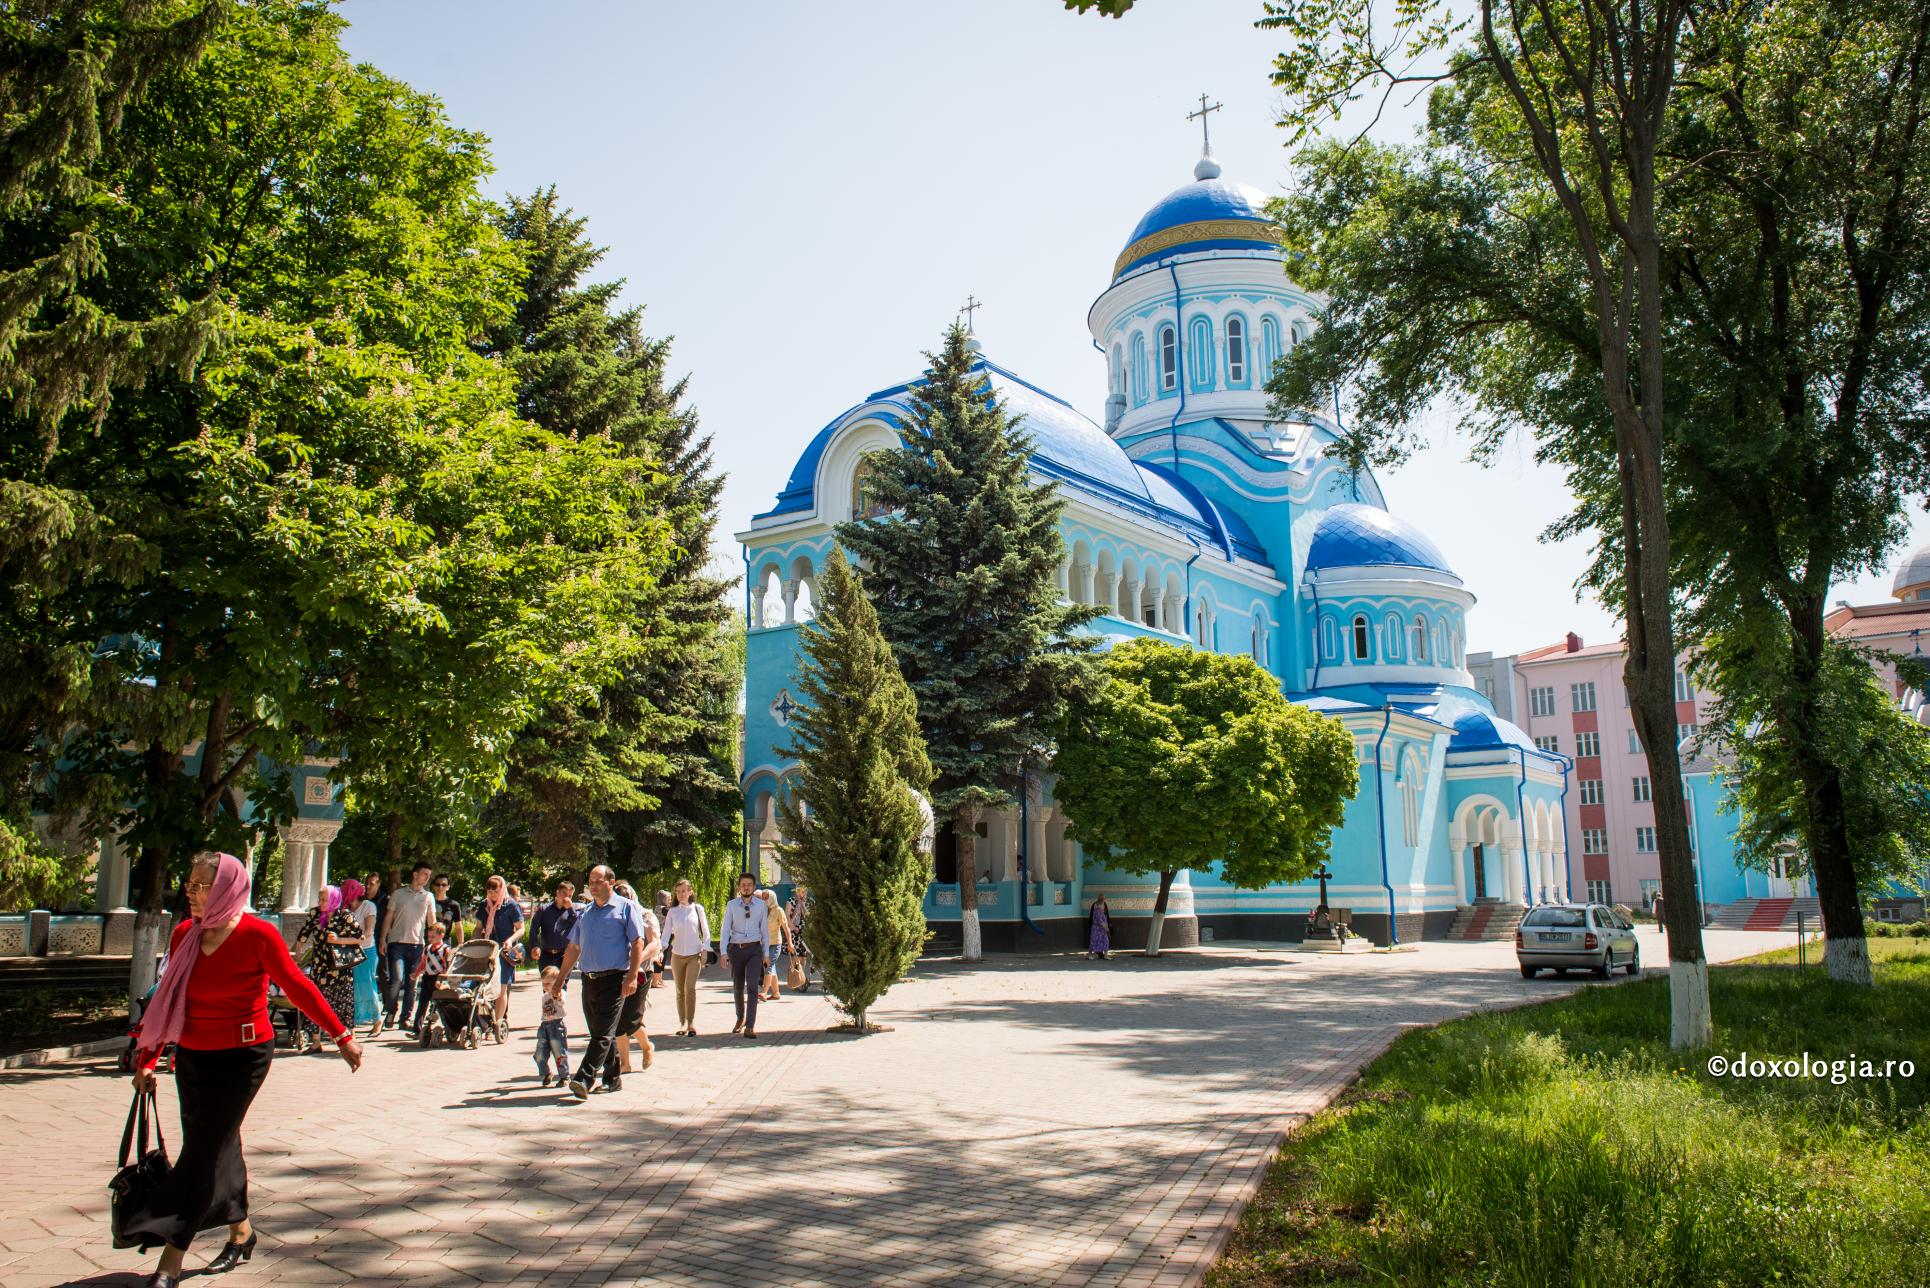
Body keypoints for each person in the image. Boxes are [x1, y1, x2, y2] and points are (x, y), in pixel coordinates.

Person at [124, 853, 364, 1288]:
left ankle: (170, 1260)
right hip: (194, 1057)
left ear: (224, 888)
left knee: (201, 1153)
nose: (190, 892)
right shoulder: (185, 935)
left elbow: (297, 985)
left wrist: (340, 1034)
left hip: (245, 1057)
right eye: (190, 884)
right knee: (218, 1144)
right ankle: (242, 1234)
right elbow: (167, 999)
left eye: (199, 885)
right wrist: (147, 1058)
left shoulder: (258, 935)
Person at [556, 865, 650, 1099]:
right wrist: (559, 980)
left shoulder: (625, 908)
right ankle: (613, 1078)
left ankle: (583, 1079)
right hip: (589, 980)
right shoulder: (586, 913)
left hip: (615, 979)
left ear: (611, 882)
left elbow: (637, 943)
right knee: (600, 1032)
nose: (593, 886)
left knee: (601, 1034)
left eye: (598, 881)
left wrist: (631, 976)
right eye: (591, 882)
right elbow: (573, 948)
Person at [292, 885, 361, 1051]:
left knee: (342, 1003)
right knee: (316, 1002)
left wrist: (338, 940)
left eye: (324, 899)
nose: (321, 902)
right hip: (319, 965)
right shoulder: (315, 914)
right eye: (320, 899)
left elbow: (359, 937)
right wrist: (298, 955)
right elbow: (303, 934)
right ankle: (316, 1042)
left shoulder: (345, 916)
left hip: (340, 967)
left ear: (334, 899)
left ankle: (347, 1041)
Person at [379, 861, 436, 1033]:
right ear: (415, 874)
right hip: (397, 942)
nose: (427, 878)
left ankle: (405, 1018)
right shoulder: (398, 894)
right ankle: (390, 1011)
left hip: (417, 945)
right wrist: (383, 939)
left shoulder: (428, 897)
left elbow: (431, 922)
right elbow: (388, 918)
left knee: (412, 982)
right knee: (396, 979)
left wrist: (434, 943)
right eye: (424, 874)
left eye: (429, 875)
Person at [610, 880, 659, 1075]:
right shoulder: (613, 916)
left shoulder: (645, 915)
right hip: (618, 972)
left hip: (641, 973)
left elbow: (654, 944)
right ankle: (625, 1063)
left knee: (631, 1018)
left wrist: (637, 962)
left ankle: (647, 1046)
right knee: (618, 1019)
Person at [721, 872, 771, 1038]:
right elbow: (725, 930)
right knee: (738, 986)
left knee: (752, 987)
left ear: (754, 887)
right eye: (743, 885)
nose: (746, 887)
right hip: (736, 949)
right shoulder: (732, 905)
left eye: (749, 884)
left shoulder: (761, 906)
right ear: (739, 887)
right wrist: (723, 952)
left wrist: (766, 954)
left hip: (754, 950)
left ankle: (750, 1025)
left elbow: (764, 930)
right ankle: (740, 1017)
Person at [661, 878, 711, 1037]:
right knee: (679, 990)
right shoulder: (673, 911)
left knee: (690, 988)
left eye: (684, 891)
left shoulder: (698, 909)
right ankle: (682, 1022)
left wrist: (705, 949)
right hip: (677, 956)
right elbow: (666, 934)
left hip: (693, 955)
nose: (681, 894)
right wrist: (661, 950)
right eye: (678, 891)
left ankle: (691, 1022)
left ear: (690, 892)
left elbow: (706, 931)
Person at [474, 875, 525, 1030]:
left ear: (501, 889)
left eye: (494, 891)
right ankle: (485, 1022)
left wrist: (510, 940)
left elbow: (521, 928)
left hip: (504, 952)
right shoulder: (484, 905)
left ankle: (498, 1022)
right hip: (488, 950)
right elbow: (478, 927)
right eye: (489, 891)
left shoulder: (511, 905)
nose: (491, 894)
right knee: (484, 987)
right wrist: (473, 944)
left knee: (502, 988)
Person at [342, 878, 380, 1033]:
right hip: (348, 952)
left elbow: (369, 930)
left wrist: (357, 940)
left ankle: (377, 1019)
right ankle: (353, 1021)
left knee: (367, 984)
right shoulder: (344, 910)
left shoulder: (368, 906)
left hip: (366, 951)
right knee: (352, 986)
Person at [408, 922, 453, 1036]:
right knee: (422, 1003)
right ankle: (416, 1030)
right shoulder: (427, 948)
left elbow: (448, 966)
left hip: (438, 979)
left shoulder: (445, 949)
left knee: (440, 1004)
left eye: (433, 936)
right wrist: (416, 973)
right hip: (427, 977)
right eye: (429, 937)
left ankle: (449, 1027)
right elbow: (423, 962)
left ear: (441, 935)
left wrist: (444, 978)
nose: (430, 939)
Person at [526, 880, 580, 971]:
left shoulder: (572, 911)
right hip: (546, 954)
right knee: (547, 984)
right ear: (557, 892)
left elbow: (578, 925)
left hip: (564, 955)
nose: (567, 898)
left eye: (570, 896)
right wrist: (534, 945)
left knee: (562, 984)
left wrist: (570, 909)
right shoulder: (544, 909)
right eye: (564, 894)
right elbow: (534, 928)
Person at [534, 965, 569, 1087]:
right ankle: (547, 1072)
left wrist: (558, 997)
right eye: (543, 984)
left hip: (556, 1026)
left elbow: (563, 1005)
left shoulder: (561, 994)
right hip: (544, 1026)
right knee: (539, 1054)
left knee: (559, 1053)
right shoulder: (544, 996)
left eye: (548, 983)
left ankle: (564, 1076)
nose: (545, 987)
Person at [759, 888, 794, 1003]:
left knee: (769, 965)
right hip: (764, 944)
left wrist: (790, 943)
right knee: (771, 967)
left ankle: (764, 992)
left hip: (775, 944)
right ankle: (776, 993)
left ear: (772, 898)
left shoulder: (779, 911)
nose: (764, 900)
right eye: (763, 897)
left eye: (766, 898)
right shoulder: (762, 910)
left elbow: (786, 928)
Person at [364, 871, 390, 1004]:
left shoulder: (385, 900)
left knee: (383, 972)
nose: (368, 886)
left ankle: (388, 1004)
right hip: (363, 941)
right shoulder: (361, 899)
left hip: (380, 939)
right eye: (366, 883)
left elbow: (388, 921)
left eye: (371, 884)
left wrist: (384, 940)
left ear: (378, 884)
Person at [430, 874, 464, 946]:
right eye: (438, 884)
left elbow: (458, 927)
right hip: (428, 940)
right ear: (433, 886)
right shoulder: (428, 901)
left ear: (448, 887)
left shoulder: (454, 905)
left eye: (444, 885)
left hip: (445, 941)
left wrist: (461, 944)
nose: (440, 887)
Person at [1087, 894, 1112, 960]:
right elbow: (1100, 921)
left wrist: (1107, 925)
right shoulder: (1097, 908)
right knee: (1094, 941)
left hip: (1101, 930)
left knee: (1104, 941)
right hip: (1097, 929)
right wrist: (1106, 928)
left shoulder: (1101, 905)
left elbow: (1105, 916)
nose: (1104, 908)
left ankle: (1105, 955)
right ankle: (1090, 955)